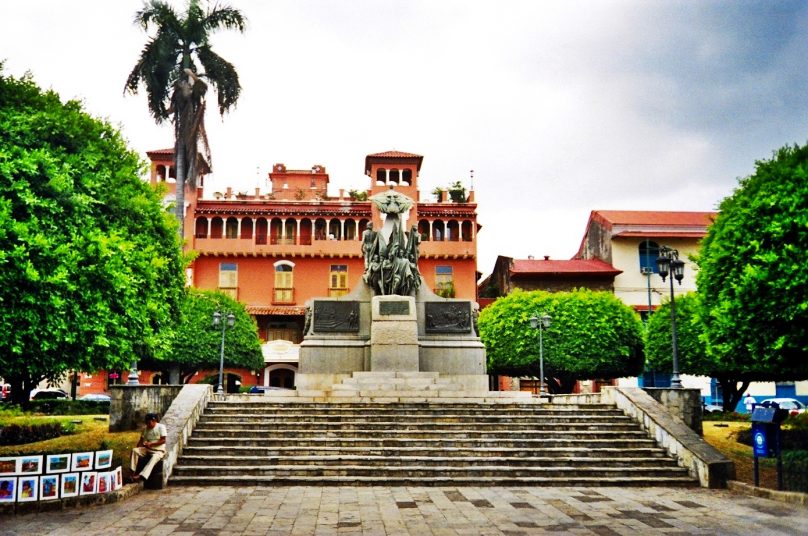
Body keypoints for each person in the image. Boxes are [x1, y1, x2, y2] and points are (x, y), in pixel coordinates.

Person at [130, 413, 167, 482]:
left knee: (154, 458)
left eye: (149, 422)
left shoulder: (161, 427)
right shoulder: (145, 429)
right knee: (134, 450)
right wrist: (140, 446)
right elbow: (141, 441)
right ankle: (132, 472)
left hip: (159, 450)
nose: (148, 424)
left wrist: (151, 444)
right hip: (147, 449)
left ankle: (141, 476)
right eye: (146, 422)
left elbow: (163, 440)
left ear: (154, 421)